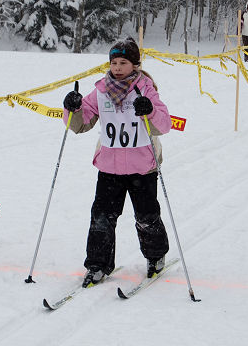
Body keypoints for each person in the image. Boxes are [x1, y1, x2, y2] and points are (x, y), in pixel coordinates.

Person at [62, 37, 172, 288]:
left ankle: (156, 256)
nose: (118, 67)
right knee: (101, 217)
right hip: (109, 167)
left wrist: (149, 110)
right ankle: (97, 265)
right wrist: (73, 108)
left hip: (142, 167)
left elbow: (164, 124)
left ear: (135, 65)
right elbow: (80, 124)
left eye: (123, 62)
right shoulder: (101, 90)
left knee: (146, 216)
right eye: (114, 63)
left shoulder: (145, 89)